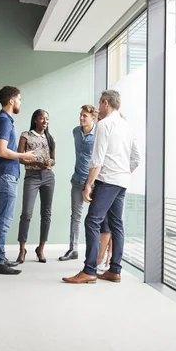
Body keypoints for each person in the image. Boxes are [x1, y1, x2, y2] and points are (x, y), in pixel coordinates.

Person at [62, 90, 140, 284]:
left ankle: (89, 270)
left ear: (105, 103)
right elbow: (136, 158)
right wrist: (123, 172)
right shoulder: (127, 126)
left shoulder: (104, 125)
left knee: (92, 221)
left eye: (100, 103)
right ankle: (115, 270)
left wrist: (88, 184)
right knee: (116, 224)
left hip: (107, 181)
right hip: (122, 181)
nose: (99, 107)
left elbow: (97, 159)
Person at [0, 86, 36, 275]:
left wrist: (20, 157)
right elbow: (1, 151)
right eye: (19, 99)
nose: (20, 102)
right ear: (11, 101)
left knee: (2, 218)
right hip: (5, 176)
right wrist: (22, 155)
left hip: (5, 175)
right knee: (4, 220)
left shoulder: (5, 120)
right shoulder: (4, 121)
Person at [59, 105, 113, 265]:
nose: (81, 118)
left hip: (95, 183)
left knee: (98, 219)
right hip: (77, 181)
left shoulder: (99, 133)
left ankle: (98, 254)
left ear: (93, 118)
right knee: (75, 216)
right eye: (81, 115)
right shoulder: (76, 131)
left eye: (85, 116)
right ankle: (73, 249)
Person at [16, 109, 56, 264]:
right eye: (42, 118)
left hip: (48, 177)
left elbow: (53, 159)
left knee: (46, 214)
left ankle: (41, 248)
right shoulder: (25, 136)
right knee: (26, 213)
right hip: (32, 177)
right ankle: (22, 249)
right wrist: (36, 163)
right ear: (35, 120)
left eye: (47, 118)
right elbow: (20, 158)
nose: (45, 121)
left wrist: (49, 163)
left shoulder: (50, 138)